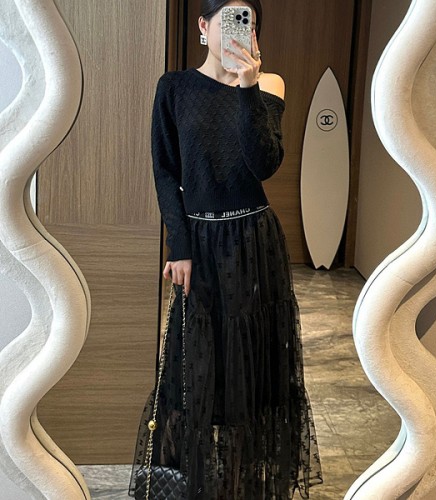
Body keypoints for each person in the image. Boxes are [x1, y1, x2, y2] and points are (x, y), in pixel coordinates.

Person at [129, 0, 323, 498]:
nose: (241, 30)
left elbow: (264, 164)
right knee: (192, 370)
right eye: (230, 20)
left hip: (252, 241)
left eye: (249, 22)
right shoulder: (174, 88)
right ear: (203, 26)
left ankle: (241, 484)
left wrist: (247, 87)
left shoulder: (269, 84)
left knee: (250, 370)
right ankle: (190, 483)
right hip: (197, 245)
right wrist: (179, 245)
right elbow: (165, 171)